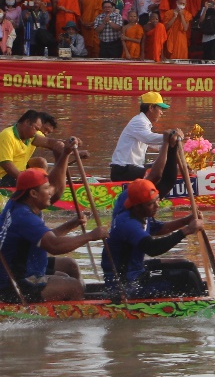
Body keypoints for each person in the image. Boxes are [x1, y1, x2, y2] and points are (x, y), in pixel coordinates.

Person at [0, 164, 107, 303]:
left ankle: (76, 300)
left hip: (25, 265)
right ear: (33, 193)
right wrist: (91, 236)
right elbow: (54, 246)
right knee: (73, 286)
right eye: (46, 188)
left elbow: (45, 238)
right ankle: (76, 312)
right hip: (14, 282)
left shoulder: (19, 202)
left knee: (69, 265)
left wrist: (71, 224)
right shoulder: (24, 217)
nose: (50, 192)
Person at [104, 176, 203, 299]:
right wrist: (187, 230)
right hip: (125, 284)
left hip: (136, 268)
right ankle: (200, 306)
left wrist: (186, 221)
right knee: (186, 277)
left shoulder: (141, 211)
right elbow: (153, 248)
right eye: (151, 204)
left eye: (157, 200)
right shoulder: (128, 223)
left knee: (188, 265)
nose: (157, 206)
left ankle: (202, 297)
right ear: (137, 207)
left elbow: (159, 229)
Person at [111, 92, 178, 195]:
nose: (161, 113)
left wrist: (175, 146)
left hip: (132, 168)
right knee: (157, 173)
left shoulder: (143, 123)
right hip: (123, 170)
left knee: (163, 166)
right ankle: (156, 195)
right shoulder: (139, 122)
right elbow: (149, 138)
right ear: (151, 108)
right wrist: (170, 137)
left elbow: (156, 146)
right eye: (160, 108)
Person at [0, 109, 65, 187]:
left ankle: (43, 186)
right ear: (27, 122)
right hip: (3, 177)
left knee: (40, 162)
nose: (37, 132)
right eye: (36, 128)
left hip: (19, 171)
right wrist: (26, 180)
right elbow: (6, 164)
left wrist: (72, 147)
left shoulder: (31, 136)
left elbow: (49, 143)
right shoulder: (7, 135)